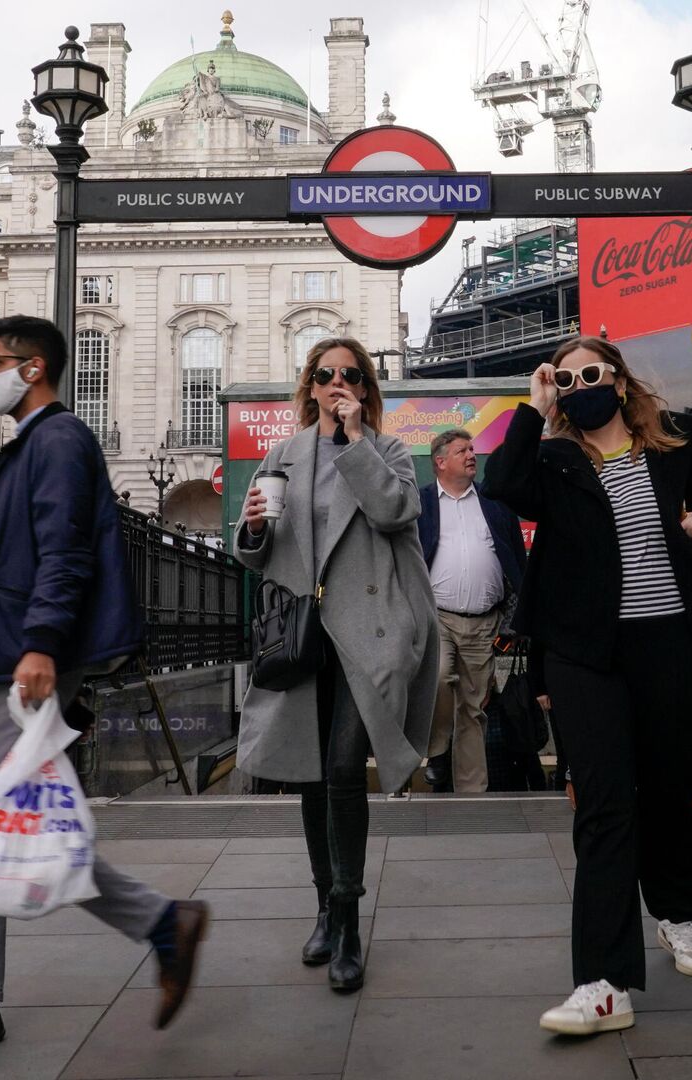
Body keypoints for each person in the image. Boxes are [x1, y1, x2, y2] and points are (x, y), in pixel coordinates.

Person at [0, 315, 207, 1046]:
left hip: (20, 659)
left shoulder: (56, 441)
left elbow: (64, 553)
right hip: (3, 654)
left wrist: (40, 646)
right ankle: (151, 924)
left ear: (32, 369)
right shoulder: (32, 445)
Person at [487, 335, 692, 1036]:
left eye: (591, 373)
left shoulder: (670, 455)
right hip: (584, 655)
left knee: (666, 793)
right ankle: (603, 983)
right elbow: (503, 484)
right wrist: (533, 403)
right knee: (605, 804)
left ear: (618, 380)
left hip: (666, 645)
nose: (580, 383)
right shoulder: (553, 460)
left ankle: (675, 916)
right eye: (567, 375)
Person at [236, 335, 438, 993]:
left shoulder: (388, 452)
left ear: (366, 388)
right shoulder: (283, 455)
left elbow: (394, 511)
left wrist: (354, 443)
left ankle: (348, 921)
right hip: (302, 636)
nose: (337, 383)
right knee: (311, 772)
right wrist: (252, 530)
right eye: (325, 374)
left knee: (347, 767)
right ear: (309, 385)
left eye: (351, 375)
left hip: (369, 634)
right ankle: (325, 904)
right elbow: (257, 553)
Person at [417, 427, 527, 793]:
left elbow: (515, 557)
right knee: (439, 678)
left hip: (484, 622)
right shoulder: (421, 504)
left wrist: (518, 614)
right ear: (440, 461)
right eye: (463, 450)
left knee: (473, 708)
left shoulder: (495, 502)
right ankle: (437, 749)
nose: (471, 455)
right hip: (438, 617)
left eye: (472, 449)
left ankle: (471, 796)